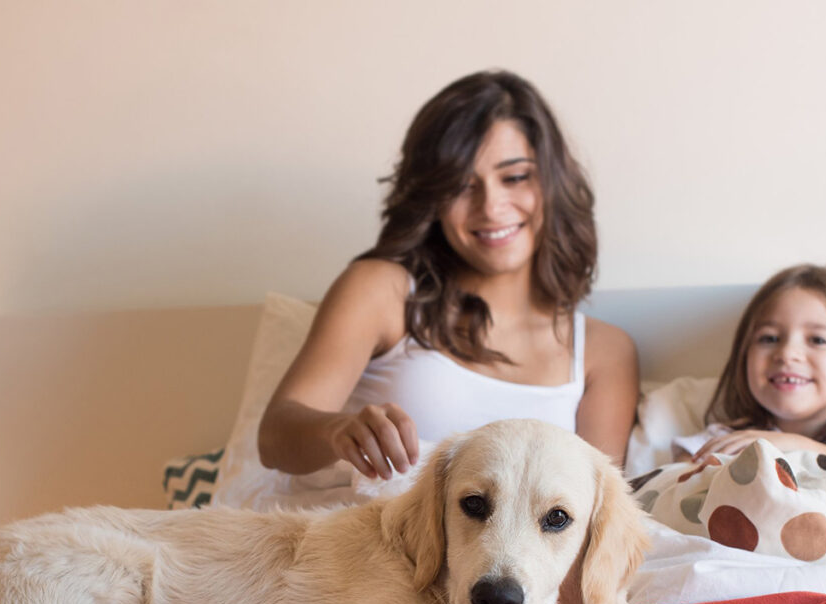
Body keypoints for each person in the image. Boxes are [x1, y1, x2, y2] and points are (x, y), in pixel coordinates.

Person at [258, 70, 638, 485]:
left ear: (552, 183)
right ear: (433, 198)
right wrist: (337, 430)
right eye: (461, 186)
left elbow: (600, 504)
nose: (491, 207)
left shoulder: (603, 352)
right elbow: (276, 436)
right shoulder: (382, 291)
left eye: (514, 177)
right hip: (362, 540)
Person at [674, 264, 826, 482]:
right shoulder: (727, 439)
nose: (787, 353)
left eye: (817, 340)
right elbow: (671, 490)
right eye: (769, 338)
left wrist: (804, 449)